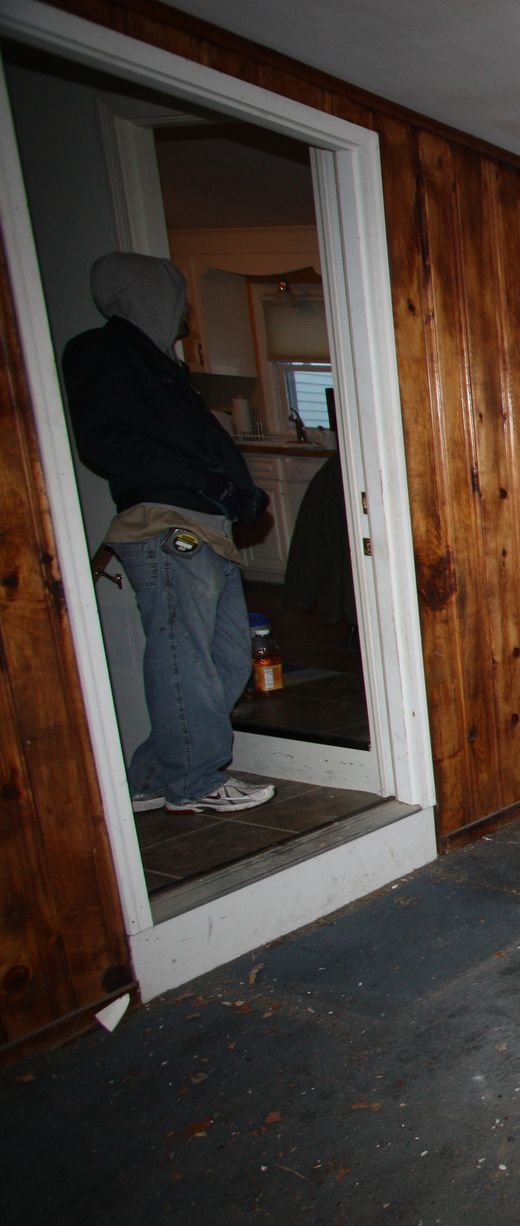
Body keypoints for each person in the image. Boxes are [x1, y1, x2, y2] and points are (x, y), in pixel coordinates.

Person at [63, 252, 276, 814]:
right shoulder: (102, 352)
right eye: (176, 296)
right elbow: (105, 441)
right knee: (186, 657)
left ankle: (155, 775)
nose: (184, 311)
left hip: (206, 527)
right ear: (147, 294)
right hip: (165, 527)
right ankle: (195, 782)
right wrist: (211, 483)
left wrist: (238, 493)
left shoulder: (160, 364)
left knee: (228, 660)